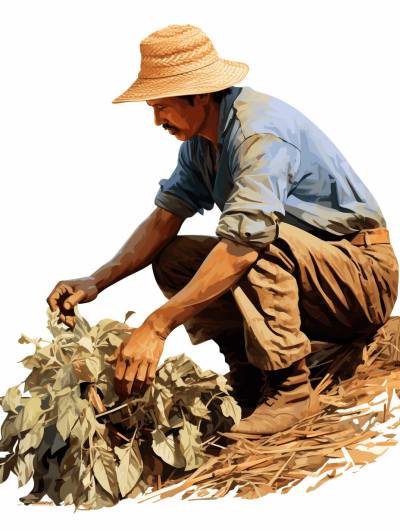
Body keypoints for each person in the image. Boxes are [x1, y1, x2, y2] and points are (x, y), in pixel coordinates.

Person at [47, 24, 399, 435]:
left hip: (361, 280)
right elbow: (164, 219)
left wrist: (157, 325)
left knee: (256, 240)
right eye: (151, 109)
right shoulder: (201, 143)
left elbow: (246, 245)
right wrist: (95, 281)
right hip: (315, 282)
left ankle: (293, 391)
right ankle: (249, 376)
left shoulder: (257, 133)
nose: (157, 120)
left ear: (200, 94)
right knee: (174, 259)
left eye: (163, 107)